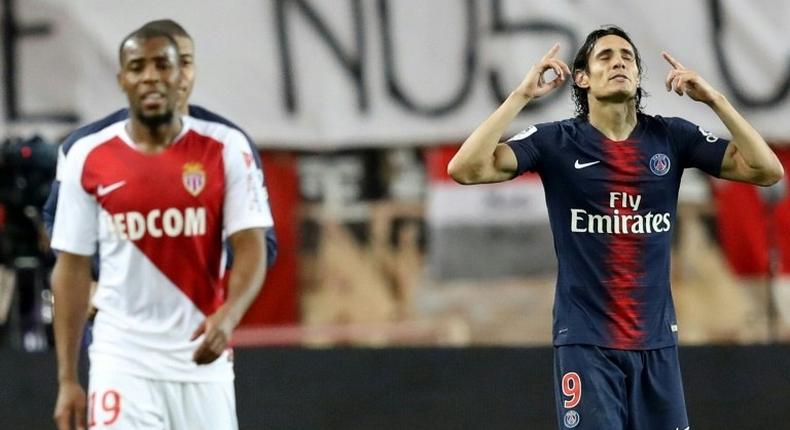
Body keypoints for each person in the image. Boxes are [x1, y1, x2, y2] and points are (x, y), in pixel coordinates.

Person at [448, 25, 783, 430]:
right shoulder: (557, 141)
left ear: (638, 76)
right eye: (605, 57)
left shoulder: (670, 137)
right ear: (583, 78)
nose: (619, 62)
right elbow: (464, 169)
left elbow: (767, 171)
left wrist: (716, 100)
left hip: (656, 343)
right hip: (587, 343)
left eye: (627, 57)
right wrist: (520, 96)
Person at [51, 26, 271, 430]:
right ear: (122, 80)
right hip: (121, 358)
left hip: (200, 360)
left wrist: (230, 314)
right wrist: (67, 379)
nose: (150, 76)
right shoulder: (87, 154)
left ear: (182, 75)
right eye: (137, 67)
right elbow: (70, 266)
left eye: (163, 65)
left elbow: (255, 246)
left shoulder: (226, 148)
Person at [42, 19, 278, 268]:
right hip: (114, 303)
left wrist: (180, 261)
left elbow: (265, 246)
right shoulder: (84, 147)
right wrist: (100, 276)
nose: (166, 77)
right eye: (152, 65)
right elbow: (58, 223)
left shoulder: (230, 145)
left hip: (197, 304)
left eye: (182, 63)